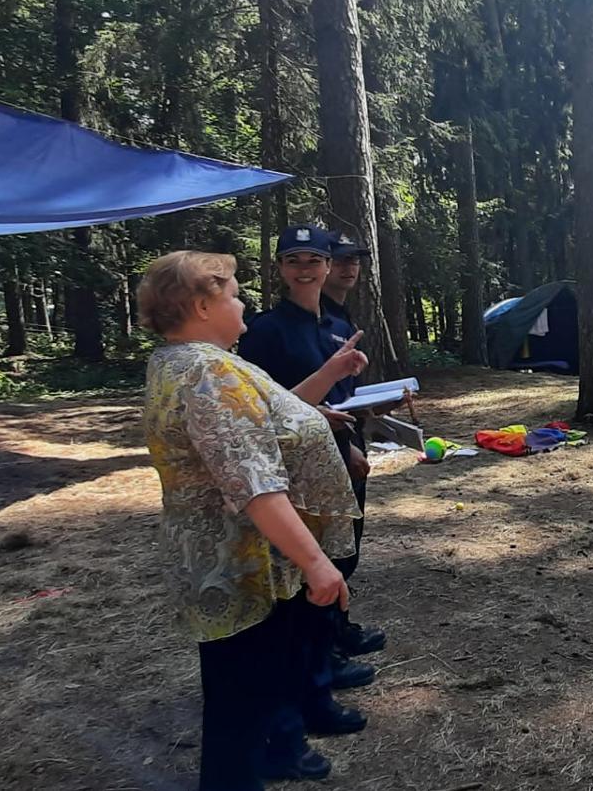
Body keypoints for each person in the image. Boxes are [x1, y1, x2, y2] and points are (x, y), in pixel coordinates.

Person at [140, 250, 366, 788]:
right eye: (233, 292)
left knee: (247, 691)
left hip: (235, 560)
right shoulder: (207, 373)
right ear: (201, 305)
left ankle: (267, 758)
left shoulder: (187, 361)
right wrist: (317, 564)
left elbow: (266, 416)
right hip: (241, 567)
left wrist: (329, 376)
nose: (243, 300)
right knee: (240, 704)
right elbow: (254, 484)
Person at [237, 225, 385, 698]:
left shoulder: (337, 324)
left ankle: (334, 636)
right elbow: (259, 403)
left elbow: (344, 398)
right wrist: (314, 413)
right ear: (280, 269)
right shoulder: (265, 330)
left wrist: (363, 430)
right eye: (294, 261)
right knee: (309, 558)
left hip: (342, 451)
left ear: (327, 267)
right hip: (295, 463)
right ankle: (318, 658)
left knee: (346, 550)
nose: (305, 270)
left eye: (313, 261)